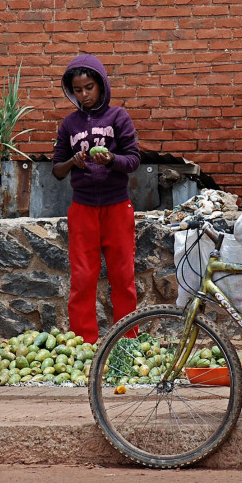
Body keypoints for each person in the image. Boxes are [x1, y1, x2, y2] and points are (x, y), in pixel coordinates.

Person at [52, 54, 140, 345]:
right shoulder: (69, 125)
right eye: (78, 90)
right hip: (83, 209)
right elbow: (57, 169)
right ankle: (84, 342)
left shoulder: (118, 117)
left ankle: (126, 340)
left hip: (117, 206)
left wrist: (111, 159)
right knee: (82, 279)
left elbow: (133, 160)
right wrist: (73, 163)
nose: (84, 95)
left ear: (101, 85)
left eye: (89, 87)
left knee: (123, 278)